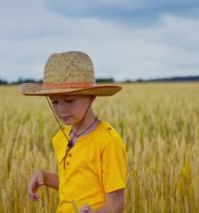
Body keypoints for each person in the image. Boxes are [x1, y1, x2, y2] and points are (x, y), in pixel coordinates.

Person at [20, 51, 127, 213]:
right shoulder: (60, 138)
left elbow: (116, 203)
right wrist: (44, 177)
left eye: (69, 101)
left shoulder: (107, 141)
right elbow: (73, 186)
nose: (61, 109)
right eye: (54, 102)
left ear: (91, 97)